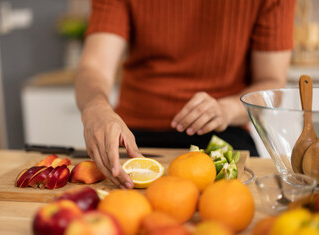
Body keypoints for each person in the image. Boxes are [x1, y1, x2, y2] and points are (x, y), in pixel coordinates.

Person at [75, 0, 296, 188]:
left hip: (224, 134)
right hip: (132, 136)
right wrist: (96, 108)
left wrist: (225, 110)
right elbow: (94, 67)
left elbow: (271, 82)